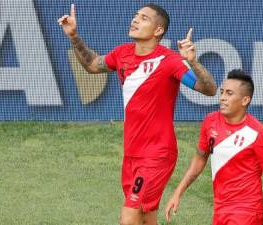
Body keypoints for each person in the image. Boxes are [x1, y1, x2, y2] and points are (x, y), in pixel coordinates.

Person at [57, 3, 217, 225]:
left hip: (157, 154)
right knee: (146, 216)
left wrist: (192, 62)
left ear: (158, 30)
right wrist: (73, 36)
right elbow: (93, 65)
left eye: (143, 18)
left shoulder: (170, 61)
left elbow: (209, 89)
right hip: (132, 153)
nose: (135, 20)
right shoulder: (122, 53)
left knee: (129, 216)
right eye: (135, 16)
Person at [164, 69, 263, 225]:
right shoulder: (210, 122)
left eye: (229, 93)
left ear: (245, 100)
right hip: (220, 209)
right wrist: (178, 192)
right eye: (222, 92)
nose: (222, 98)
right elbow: (200, 158)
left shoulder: (257, 134)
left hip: (247, 211)